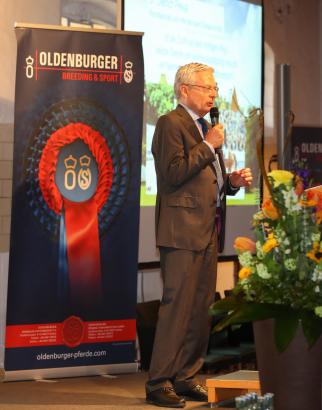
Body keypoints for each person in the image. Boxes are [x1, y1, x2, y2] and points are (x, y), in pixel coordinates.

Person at [145, 62, 253, 408]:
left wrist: (231, 183)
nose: (213, 94)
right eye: (207, 88)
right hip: (180, 232)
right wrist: (208, 146)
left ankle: (187, 376)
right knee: (177, 308)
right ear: (184, 90)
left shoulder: (207, 126)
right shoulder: (169, 124)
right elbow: (172, 173)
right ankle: (159, 382)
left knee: (200, 310)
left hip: (208, 230)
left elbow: (210, 180)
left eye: (215, 88)